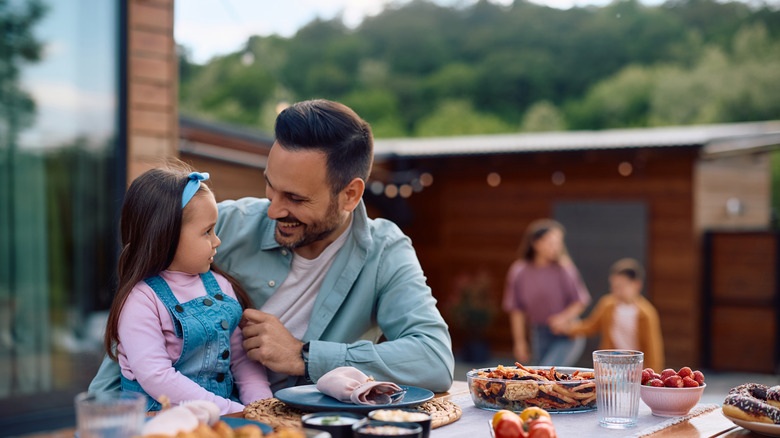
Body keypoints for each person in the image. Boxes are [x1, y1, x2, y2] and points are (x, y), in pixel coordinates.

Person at [90, 99, 454, 395]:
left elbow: (434, 359)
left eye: (294, 197)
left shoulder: (385, 251)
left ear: (350, 195)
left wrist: (304, 356)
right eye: (270, 186)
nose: (274, 209)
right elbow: (130, 355)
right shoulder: (223, 225)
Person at [101, 164, 272, 414]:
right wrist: (229, 409)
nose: (217, 241)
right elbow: (157, 377)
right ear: (165, 236)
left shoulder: (220, 286)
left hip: (221, 418)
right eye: (207, 232)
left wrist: (262, 406)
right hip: (160, 420)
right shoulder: (140, 300)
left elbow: (242, 359)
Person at [502, 219, 591, 366]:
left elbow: (580, 301)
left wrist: (563, 318)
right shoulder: (519, 271)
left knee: (548, 372)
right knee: (542, 377)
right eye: (551, 242)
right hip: (539, 332)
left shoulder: (564, 268)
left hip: (566, 332)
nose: (556, 247)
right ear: (535, 243)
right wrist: (520, 342)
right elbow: (516, 310)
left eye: (558, 242)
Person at [563, 258, 664, 371]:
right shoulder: (607, 305)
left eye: (621, 286)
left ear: (636, 284)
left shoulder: (646, 313)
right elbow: (591, 326)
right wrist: (569, 329)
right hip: (610, 366)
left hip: (635, 368)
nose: (616, 290)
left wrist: (652, 374)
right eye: (614, 286)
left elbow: (653, 349)